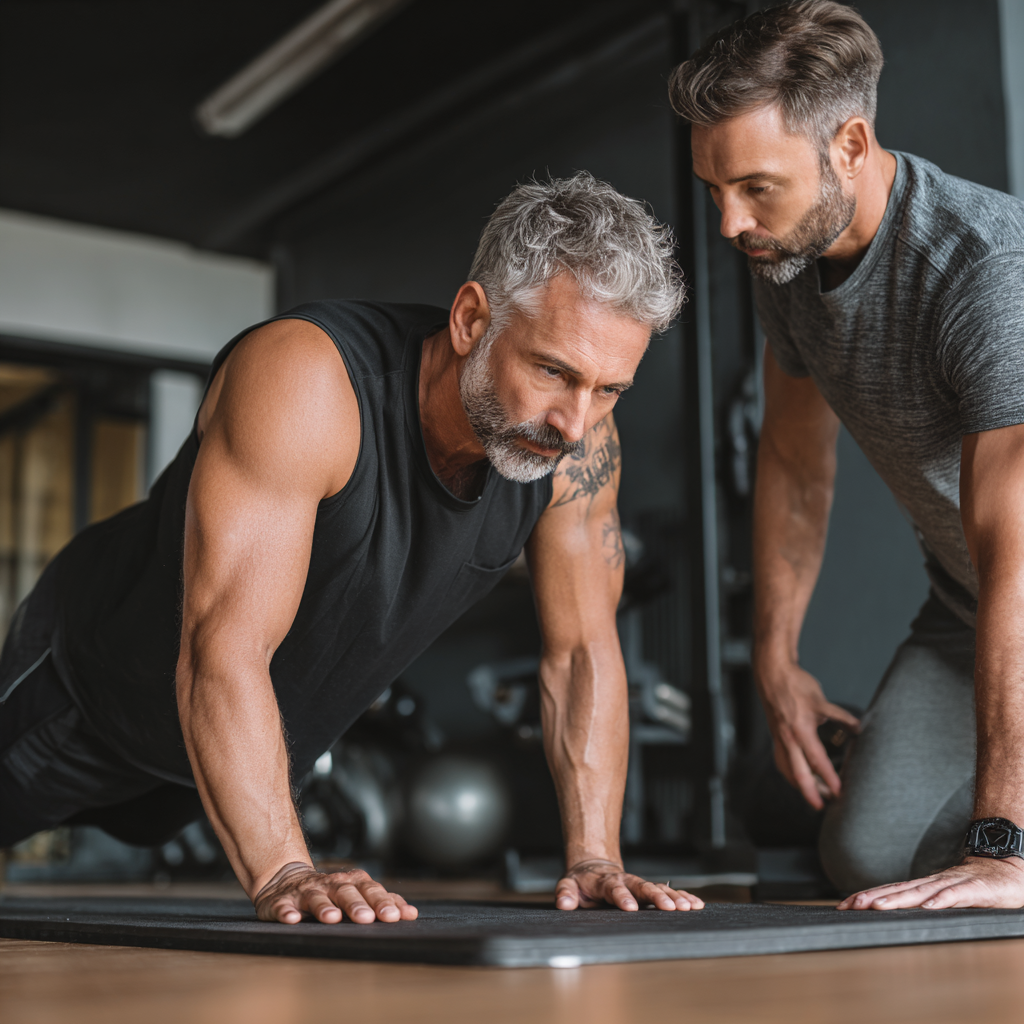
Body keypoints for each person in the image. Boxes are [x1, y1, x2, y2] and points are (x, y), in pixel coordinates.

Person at [0, 173, 703, 923]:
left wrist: (595, 857)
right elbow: (223, 647)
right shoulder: (308, 380)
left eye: (608, 389)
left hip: (235, 760)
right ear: (471, 319)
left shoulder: (581, 449)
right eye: (553, 371)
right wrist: (284, 873)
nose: (574, 421)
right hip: (93, 695)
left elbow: (584, 650)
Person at [670, 1, 1024, 910]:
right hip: (964, 609)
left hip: (1012, 586)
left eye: (755, 186)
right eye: (715, 190)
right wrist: (775, 656)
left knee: (994, 858)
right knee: (867, 852)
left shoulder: (984, 272)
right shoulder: (787, 260)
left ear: (851, 144)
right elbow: (792, 459)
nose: (729, 223)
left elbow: (1017, 557)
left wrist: (1000, 845)